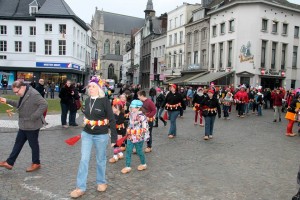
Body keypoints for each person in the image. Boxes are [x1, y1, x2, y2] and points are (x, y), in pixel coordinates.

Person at [70, 77, 117, 198]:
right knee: (83, 159)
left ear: (99, 88)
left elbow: (111, 119)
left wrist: (113, 139)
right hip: (87, 134)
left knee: (100, 159)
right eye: (89, 86)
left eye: (93, 86)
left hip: (101, 135)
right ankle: (80, 187)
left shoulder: (105, 101)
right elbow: (86, 115)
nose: (90, 89)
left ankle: (101, 182)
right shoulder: (87, 100)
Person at [0, 80, 48, 172]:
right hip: (24, 125)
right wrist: (6, 101)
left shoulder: (34, 94)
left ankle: (36, 163)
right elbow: (20, 104)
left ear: (22, 87)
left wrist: (34, 116)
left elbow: (44, 104)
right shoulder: (24, 93)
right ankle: (10, 163)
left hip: (32, 125)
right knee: (18, 143)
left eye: (17, 92)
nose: (16, 94)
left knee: (33, 145)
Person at [121, 100, 150, 174]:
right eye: (131, 107)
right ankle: (127, 166)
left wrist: (137, 132)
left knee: (139, 151)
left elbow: (145, 128)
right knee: (128, 151)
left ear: (138, 108)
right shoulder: (131, 114)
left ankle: (143, 164)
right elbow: (130, 123)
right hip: (130, 136)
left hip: (138, 137)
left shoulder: (143, 117)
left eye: (133, 107)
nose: (131, 109)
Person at [109, 98, 126, 163]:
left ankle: (115, 157)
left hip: (120, 132)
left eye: (114, 108)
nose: (112, 109)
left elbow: (119, 122)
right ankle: (120, 154)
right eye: (112, 108)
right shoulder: (113, 115)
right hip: (115, 131)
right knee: (116, 144)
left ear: (118, 108)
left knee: (117, 144)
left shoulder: (122, 115)